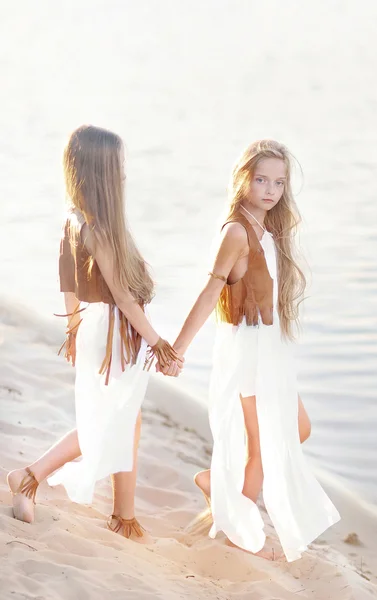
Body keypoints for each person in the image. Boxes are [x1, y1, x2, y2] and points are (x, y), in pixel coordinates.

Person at [166, 139, 340, 560]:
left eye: (278, 182)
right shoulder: (236, 231)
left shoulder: (268, 228)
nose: (270, 190)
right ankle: (236, 535)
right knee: (262, 447)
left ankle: (217, 485)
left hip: (271, 348)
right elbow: (210, 292)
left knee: (297, 428)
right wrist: (178, 349)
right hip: (249, 352)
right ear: (242, 178)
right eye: (261, 179)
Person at [7, 125, 183, 541]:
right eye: (117, 167)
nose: (123, 175)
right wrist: (158, 343)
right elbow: (124, 298)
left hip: (91, 325)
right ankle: (30, 475)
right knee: (108, 419)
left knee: (126, 416)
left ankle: (124, 515)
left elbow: (66, 283)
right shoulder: (101, 231)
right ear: (100, 173)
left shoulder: (73, 219)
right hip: (113, 333)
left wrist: (72, 328)